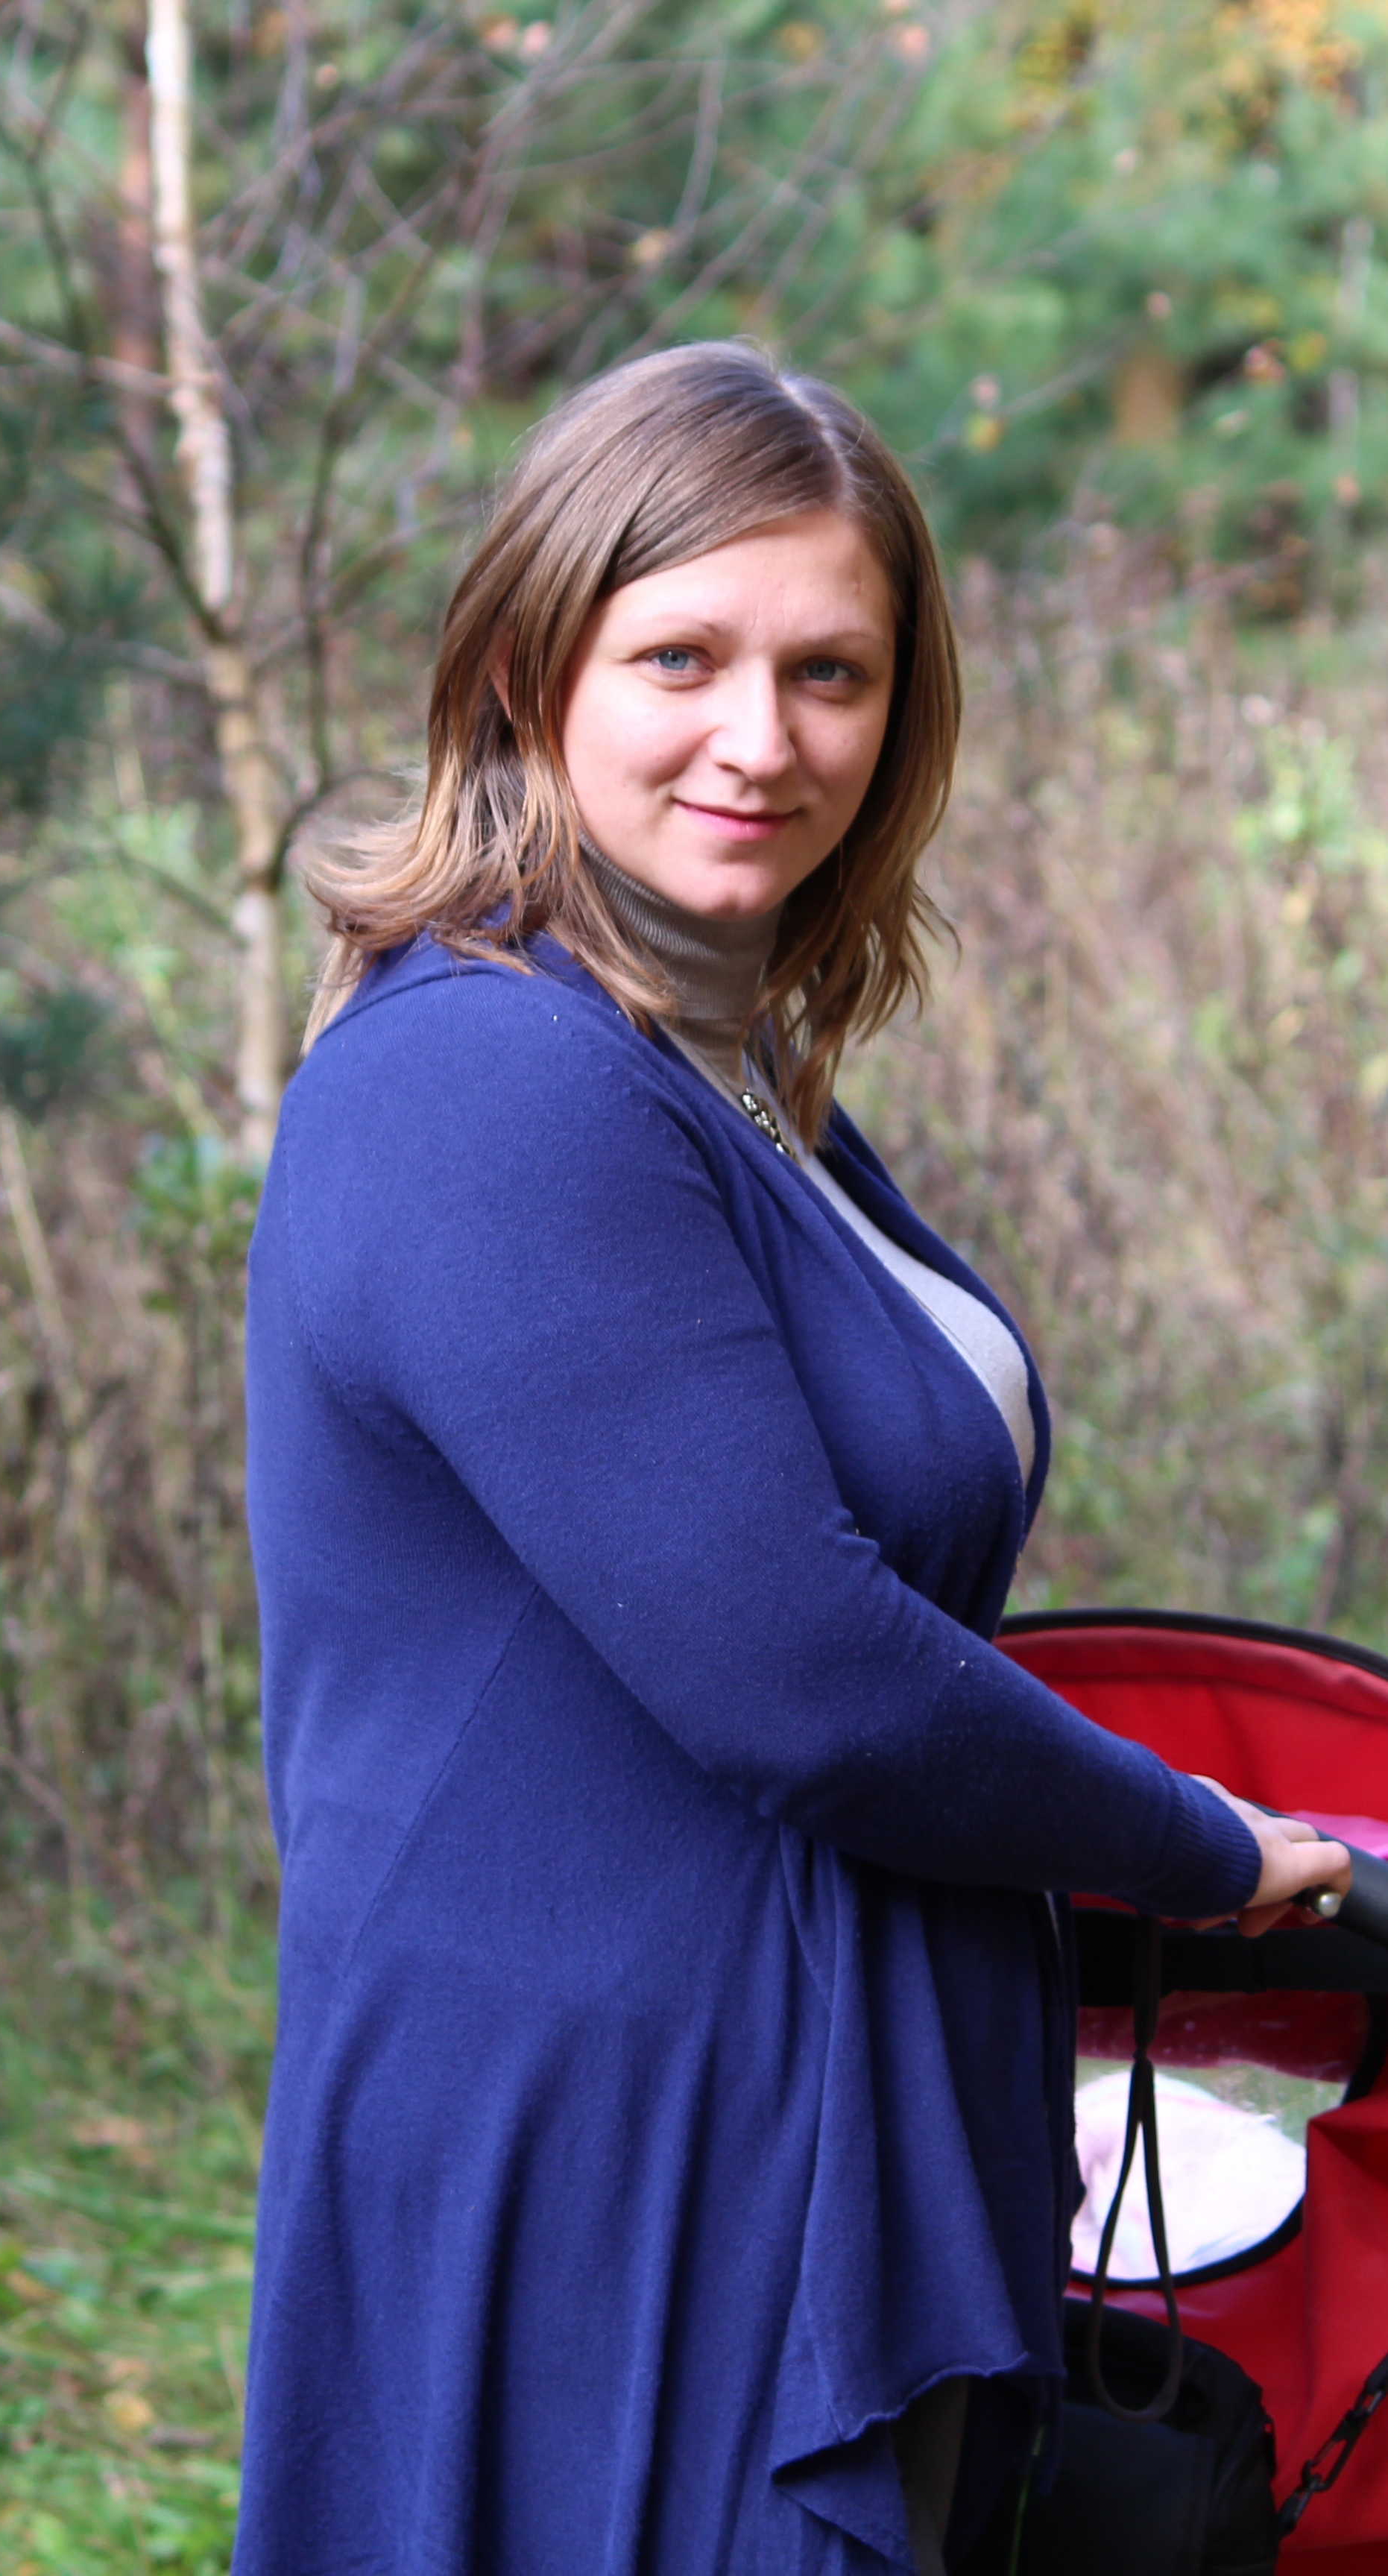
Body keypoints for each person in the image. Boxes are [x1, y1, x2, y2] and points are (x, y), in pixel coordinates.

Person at [234, 342, 1348, 2576]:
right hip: (618, 2151)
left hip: (788, 2092)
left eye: (830, 672)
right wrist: (1200, 1848)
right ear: (529, 666)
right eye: (683, 657)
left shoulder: (719, 1072)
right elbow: (807, 1673)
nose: (762, 737)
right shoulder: (490, 1080)